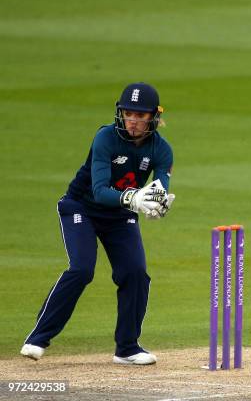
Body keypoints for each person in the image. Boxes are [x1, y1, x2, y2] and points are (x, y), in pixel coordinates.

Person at [21, 82, 175, 365]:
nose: (133, 121)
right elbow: (100, 190)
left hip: (119, 217)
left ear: (153, 117)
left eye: (140, 115)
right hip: (81, 208)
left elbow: (160, 188)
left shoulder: (162, 150)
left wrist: (158, 203)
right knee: (81, 269)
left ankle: (127, 348)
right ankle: (37, 338)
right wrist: (133, 198)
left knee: (135, 273)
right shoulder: (105, 137)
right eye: (129, 113)